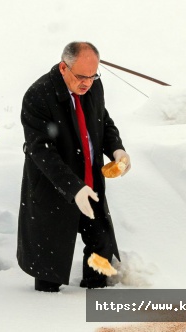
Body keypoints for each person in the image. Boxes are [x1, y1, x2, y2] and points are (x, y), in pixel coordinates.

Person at [17, 41, 131, 292]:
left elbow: (104, 120)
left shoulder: (93, 86)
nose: (87, 83)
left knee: (100, 240)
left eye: (93, 76)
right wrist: (73, 188)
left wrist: (116, 149)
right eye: (81, 76)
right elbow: (42, 151)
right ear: (63, 67)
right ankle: (46, 312)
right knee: (50, 260)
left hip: (90, 181)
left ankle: (96, 290)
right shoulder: (38, 96)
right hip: (55, 187)